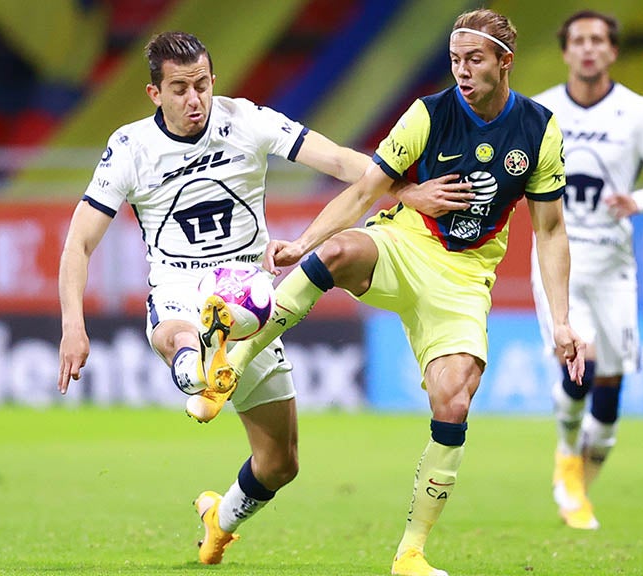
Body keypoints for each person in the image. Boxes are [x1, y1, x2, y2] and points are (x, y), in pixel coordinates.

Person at [197, 10, 586, 576]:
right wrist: (304, 240)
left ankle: (410, 552)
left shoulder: (539, 129)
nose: (463, 72)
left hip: (464, 277)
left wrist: (563, 321)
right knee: (335, 253)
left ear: (505, 61)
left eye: (474, 60)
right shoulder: (428, 115)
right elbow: (365, 192)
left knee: (453, 400)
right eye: (455, 61)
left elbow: (550, 231)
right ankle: (230, 363)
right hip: (405, 243)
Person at [56, 31, 465, 566]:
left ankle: (218, 519)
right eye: (179, 89)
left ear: (213, 81)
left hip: (249, 297)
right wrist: (73, 325)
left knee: (280, 464)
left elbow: (343, 162)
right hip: (179, 288)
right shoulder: (131, 147)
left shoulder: (246, 119)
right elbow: (79, 242)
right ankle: (198, 364)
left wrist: (406, 191)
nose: (194, 99)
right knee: (183, 337)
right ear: (154, 93)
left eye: (201, 85)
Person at [530, 10, 643, 530]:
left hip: (614, 266)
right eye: (578, 40)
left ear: (612, 51)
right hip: (559, 262)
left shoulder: (636, 112)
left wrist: (640, 201)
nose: (588, 49)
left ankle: (576, 483)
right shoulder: (544, 111)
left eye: (598, 40)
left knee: (610, 396)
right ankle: (564, 452)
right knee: (584, 357)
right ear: (565, 51)